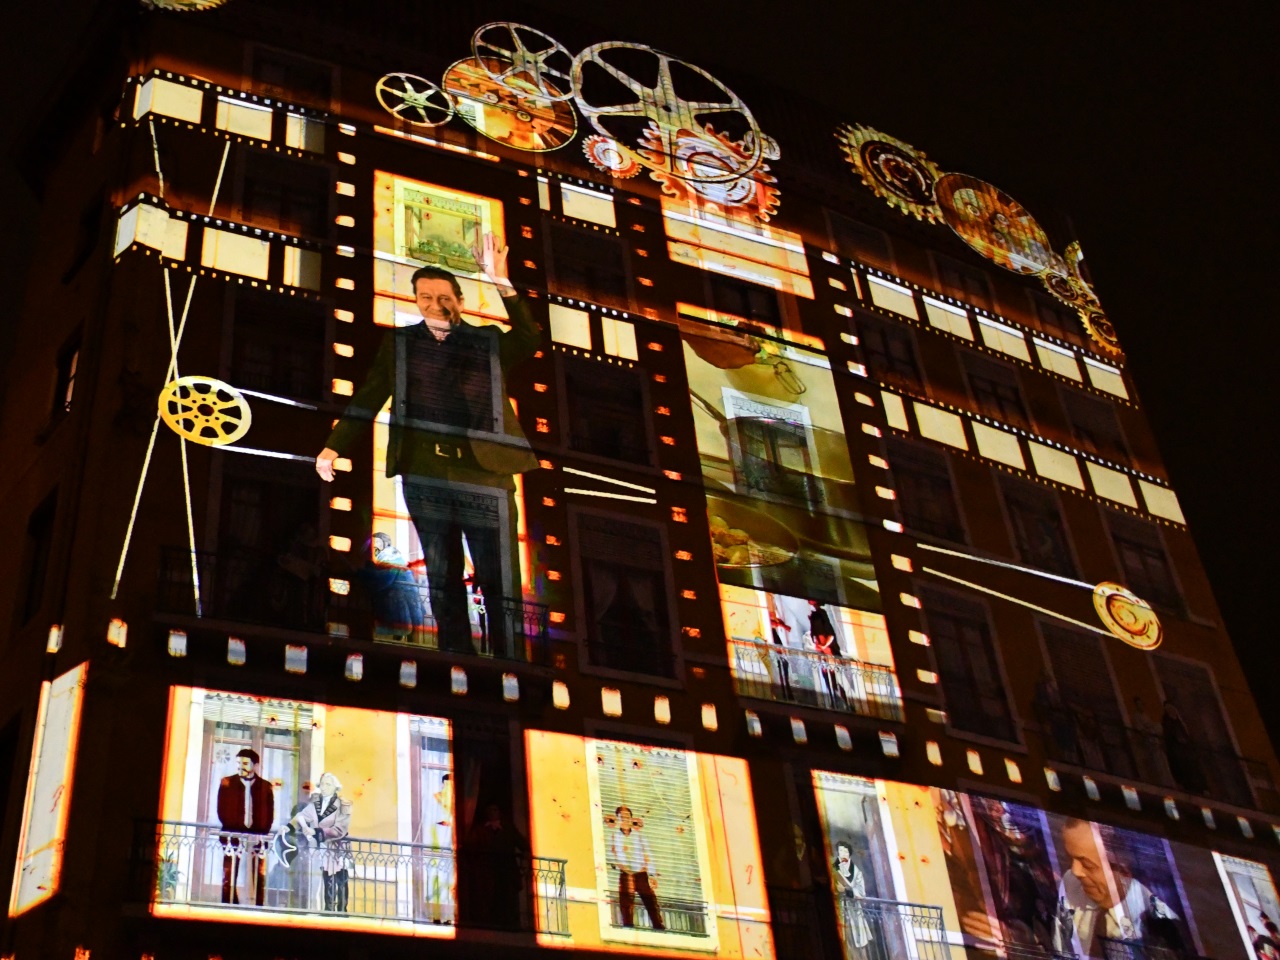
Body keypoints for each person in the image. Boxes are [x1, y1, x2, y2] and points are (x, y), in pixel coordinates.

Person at [316, 234, 540, 655]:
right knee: (441, 574)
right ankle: (458, 659)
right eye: (425, 297)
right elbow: (370, 395)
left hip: (485, 475)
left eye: (444, 297)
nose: (435, 304)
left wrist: (501, 281)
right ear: (416, 301)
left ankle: (510, 660)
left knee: (500, 576)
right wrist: (334, 446)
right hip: (425, 474)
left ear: (459, 300)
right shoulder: (399, 344)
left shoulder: (487, 341)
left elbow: (529, 338)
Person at [1051, 818, 1186, 957]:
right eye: (1070, 859)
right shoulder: (1070, 883)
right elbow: (1060, 950)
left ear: (1123, 869)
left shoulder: (1160, 921)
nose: (1076, 871)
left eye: (1087, 864)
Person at [216, 748, 275, 906]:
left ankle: (258, 905)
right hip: (232, 835)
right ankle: (228, 904)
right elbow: (221, 810)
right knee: (229, 873)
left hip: (258, 837)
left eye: (244, 763)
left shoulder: (265, 786)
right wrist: (235, 830)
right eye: (238, 763)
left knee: (259, 874)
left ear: (255, 766)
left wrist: (260, 832)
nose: (240, 766)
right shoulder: (227, 783)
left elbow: (269, 813)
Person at [290, 772, 352, 913]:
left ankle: (342, 911)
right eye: (322, 784)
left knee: (341, 879)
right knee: (327, 878)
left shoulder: (343, 805)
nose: (324, 787)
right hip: (324, 848)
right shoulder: (315, 805)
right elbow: (301, 816)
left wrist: (315, 831)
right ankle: (328, 910)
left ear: (335, 787)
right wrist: (289, 827)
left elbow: (339, 830)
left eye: (328, 784)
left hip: (339, 848)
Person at [607, 805, 665, 931]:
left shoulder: (639, 836)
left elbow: (647, 854)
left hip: (641, 873)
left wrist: (651, 874)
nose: (625, 819)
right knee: (626, 901)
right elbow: (610, 854)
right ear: (618, 819)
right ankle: (628, 927)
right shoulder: (614, 837)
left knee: (650, 900)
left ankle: (658, 926)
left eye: (627, 817)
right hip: (626, 873)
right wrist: (619, 865)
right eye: (622, 817)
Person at [831, 840, 874, 957]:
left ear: (849, 854)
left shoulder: (857, 872)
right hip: (840, 910)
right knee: (844, 941)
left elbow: (861, 892)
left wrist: (845, 890)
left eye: (845, 851)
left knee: (860, 943)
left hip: (854, 911)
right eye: (840, 851)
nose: (843, 854)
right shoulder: (833, 869)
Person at [1161, 700, 1209, 796]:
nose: (1171, 711)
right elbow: (1169, 736)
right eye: (1168, 709)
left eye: (1172, 709)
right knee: (1183, 768)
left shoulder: (1180, 722)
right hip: (1177, 751)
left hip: (1186, 751)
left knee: (1194, 768)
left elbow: (1186, 735)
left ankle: (1201, 788)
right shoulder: (1167, 723)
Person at [809, 600, 849, 709]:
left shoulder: (821, 615)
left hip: (828, 651)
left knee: (834, 678)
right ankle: (834, 700)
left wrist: (824, 646)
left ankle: (841, 702)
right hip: (823, 651)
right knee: (827, 677)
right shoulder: (816, 616)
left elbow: (830, 635)